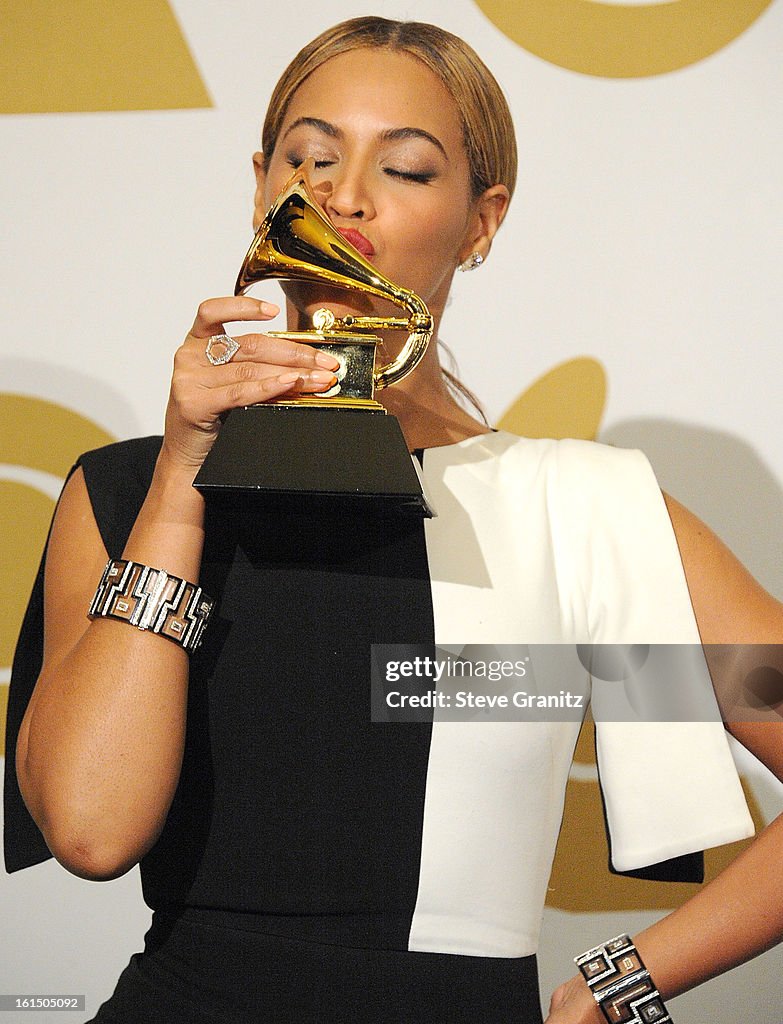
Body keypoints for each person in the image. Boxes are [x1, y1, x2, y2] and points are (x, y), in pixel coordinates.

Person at [4, 15, 782, 1024]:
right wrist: (181, 480)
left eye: (407, 168)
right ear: (260, 186)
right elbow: (91, 830)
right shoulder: (126, 492)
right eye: (310, 155)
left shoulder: (583, 521)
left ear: (482, 220)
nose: (341, 193)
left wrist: (618, 982)